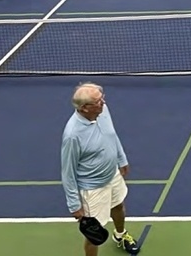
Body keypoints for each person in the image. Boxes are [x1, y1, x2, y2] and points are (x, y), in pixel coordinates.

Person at [61, 83, 142, 255]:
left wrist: (121, 158)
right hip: (92, 188)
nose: (103, 102)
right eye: (98, 101)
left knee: (118, 206)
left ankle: (120, 235)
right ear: (84, 108)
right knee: (93, 234)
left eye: (102, 97)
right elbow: (67, 172)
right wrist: (74, 204)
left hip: (112, 174)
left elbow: (111, 134)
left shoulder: (102, 111)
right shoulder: (72, 136)